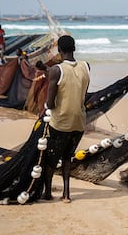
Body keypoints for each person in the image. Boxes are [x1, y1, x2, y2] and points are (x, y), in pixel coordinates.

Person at [43, 35, 90, 203]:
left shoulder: (57, 70)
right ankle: (66, 194)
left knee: (51, 159)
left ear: (59, 50)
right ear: (74, 48)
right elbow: (81, 93)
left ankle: (47, 193)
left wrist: (46, 106)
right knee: (67, 158)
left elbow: (50, 103)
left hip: (61, 122)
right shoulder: (86, 66)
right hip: (79, 121)